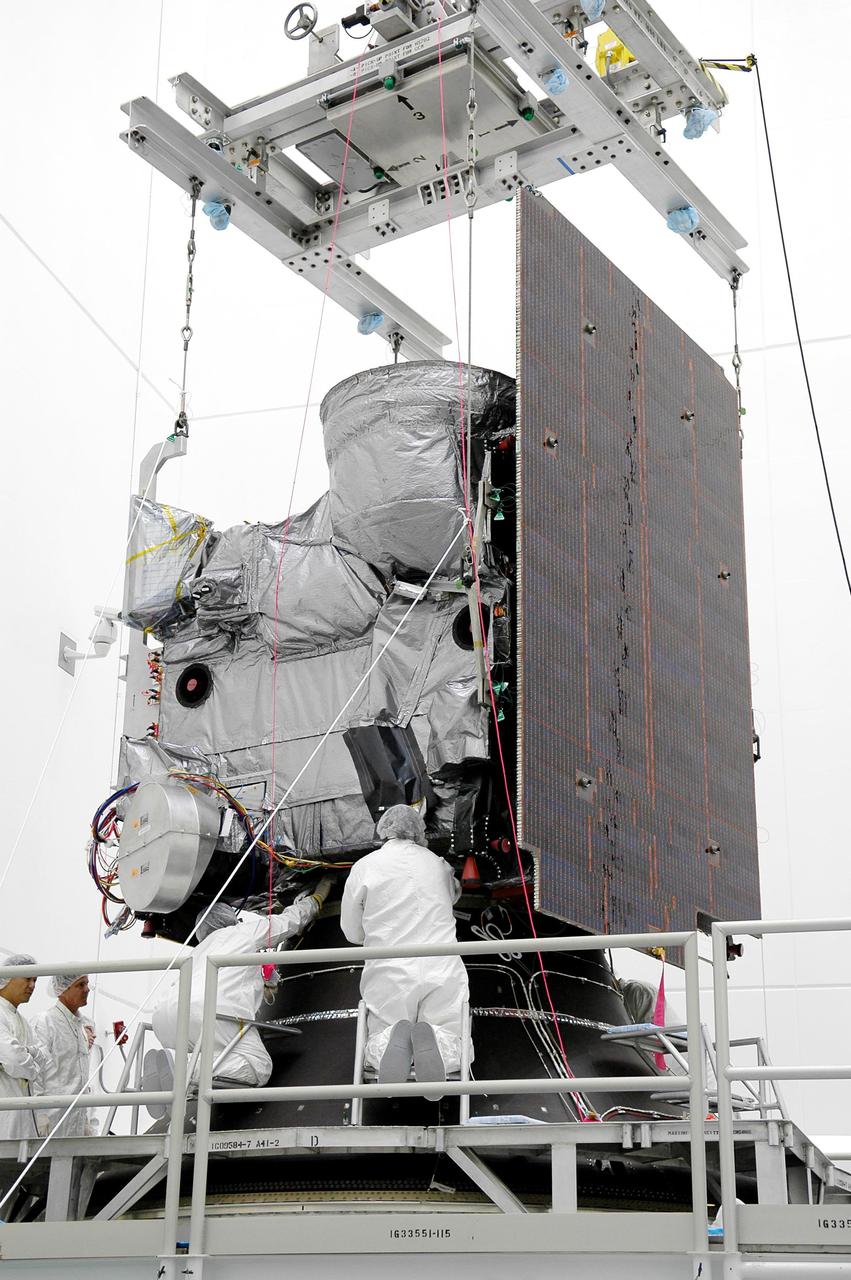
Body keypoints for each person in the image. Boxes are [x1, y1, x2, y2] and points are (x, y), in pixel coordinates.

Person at [340, 804, 470, 1089]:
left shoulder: (364, 867)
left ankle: (391, 1042)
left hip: (389, 964)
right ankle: (437, 1045)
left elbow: (351, 930)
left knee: (384, 1026)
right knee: (449, 1027)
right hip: (441, 962)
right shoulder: (439, 864)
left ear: (383, 832)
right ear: (418, 832)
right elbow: (451, 897)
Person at [152, 883, 330, 1086]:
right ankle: (182, 1071)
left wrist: (263, 982)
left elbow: (235, 977)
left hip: (165, 1018)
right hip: (206, 1011)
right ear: (231, 919)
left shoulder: (198, 951)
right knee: (258, 1066)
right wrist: (316, 898)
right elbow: (289, 922)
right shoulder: (242, 933)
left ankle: (169, 1079)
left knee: (216, 1057)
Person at [31, 975, 97, 1138]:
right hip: (51, 1119)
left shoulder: (84, 1025)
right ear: (63, 989)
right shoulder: (45, 1022)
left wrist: (88, 1120)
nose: (87, 989)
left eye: (87, 984)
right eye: (80, 985)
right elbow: (34, 1073)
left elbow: (82, 1076)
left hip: (77, 1119)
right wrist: (39, 1115)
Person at [0, 954, 46, 1141]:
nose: (32, 985)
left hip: (23, 1117)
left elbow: (42, 1058)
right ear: (8, 977)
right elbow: (14, 1058)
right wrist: (28, 1059)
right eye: (28, 978)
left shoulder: (23, 1022)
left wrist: (26, 1055)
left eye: (35, 980)